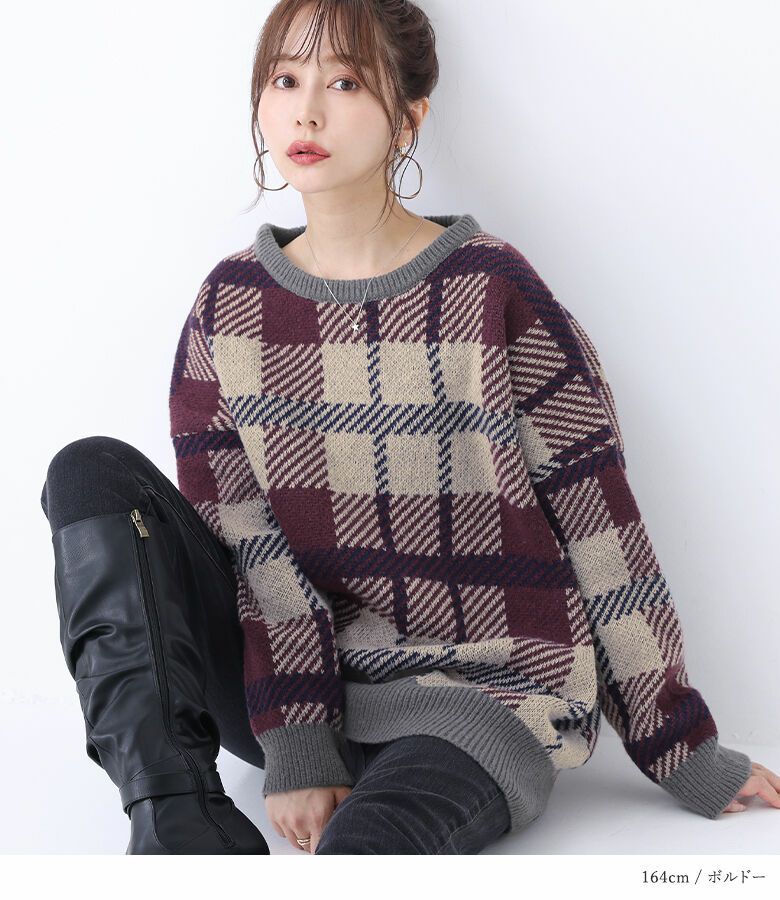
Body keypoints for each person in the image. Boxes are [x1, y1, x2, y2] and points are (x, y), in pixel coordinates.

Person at [41, 0, 780, 856]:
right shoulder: (230, 305)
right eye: (285, 79)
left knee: (370, 852)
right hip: (283, 694)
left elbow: (598, 524)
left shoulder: (490, 288)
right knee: (89, 472)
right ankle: (176, 822)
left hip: (476, 700)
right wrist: (301, 739)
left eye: (345, 84)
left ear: (409, 118)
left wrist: (681, 749)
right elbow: (245, 544)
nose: (306, 112)